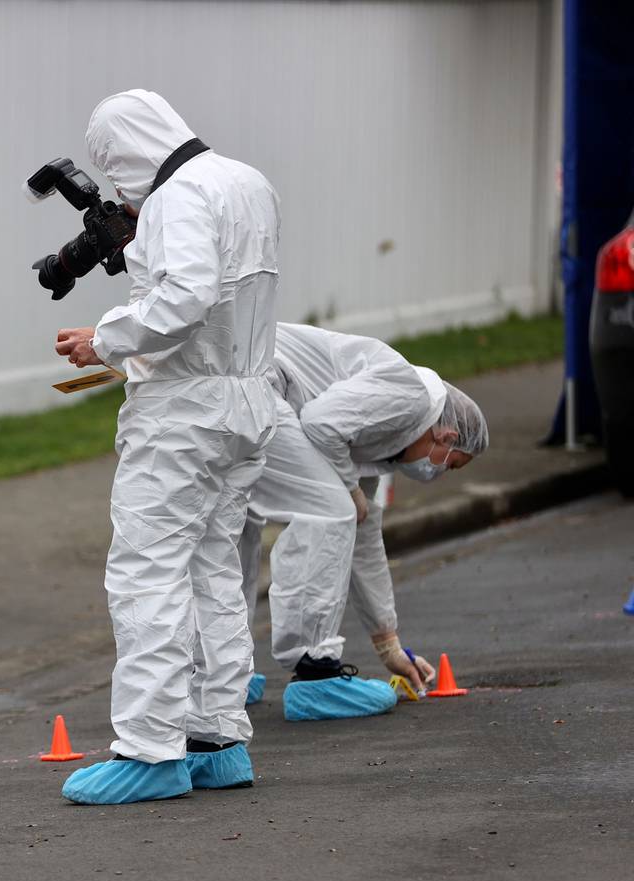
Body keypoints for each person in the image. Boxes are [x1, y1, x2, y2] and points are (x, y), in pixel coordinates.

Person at [53, 90, 280, 803]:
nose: (117, 189)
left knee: (148, 573)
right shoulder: (246, 181)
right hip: (246, 400)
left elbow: (184, 298)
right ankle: (217, 739)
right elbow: (215, 297)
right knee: (214, 569)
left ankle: (150, 751)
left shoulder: (178, 197)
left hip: (184, 413)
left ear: (122, 153)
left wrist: (104, 341)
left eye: (112, 170)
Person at [239, 323, 490, 721]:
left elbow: (365, 539)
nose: (441, 473)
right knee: (330, 509)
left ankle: (222, 675)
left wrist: (388, 644)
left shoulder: (383, 439)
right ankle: (315, 673)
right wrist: (348, 488)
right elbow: (320, 423)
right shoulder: (409, 397)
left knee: (239, 525)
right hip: (259, 384)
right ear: (446, 436)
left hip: (239, 378)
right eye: (452, 464)